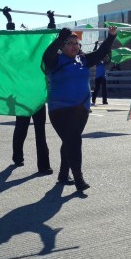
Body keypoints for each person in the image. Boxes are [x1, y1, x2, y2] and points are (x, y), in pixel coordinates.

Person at [43, 26, 117, 191]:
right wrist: (59, 39)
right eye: (69, 43)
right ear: (62, 46)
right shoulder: (55, 61)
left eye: (76, 43)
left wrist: (111, 36)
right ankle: (79, 179)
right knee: (74, 140)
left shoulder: (83, 59)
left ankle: (63, 174)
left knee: (69, 140)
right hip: (60, 109)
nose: (74, 46)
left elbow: (101, 52)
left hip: (81, 109)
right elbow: (46, 56)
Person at [13, 105, 51, 174]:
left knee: (22, 129)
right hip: (31, 100)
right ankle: (44, 166)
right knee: (23, 130)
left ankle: (17, 157)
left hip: (28, 100)